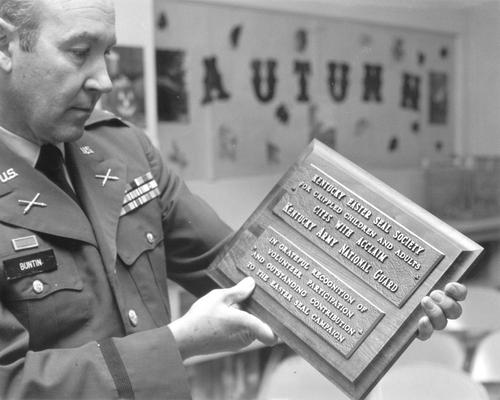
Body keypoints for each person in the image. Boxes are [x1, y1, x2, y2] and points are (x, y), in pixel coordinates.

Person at [0, 0, 467, 398]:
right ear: (5, 46)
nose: (104, 79)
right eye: (80, 52)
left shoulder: (121, 149)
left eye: (107, 53)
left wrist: (391, 305)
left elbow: (241, 270)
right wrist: (178, 343)